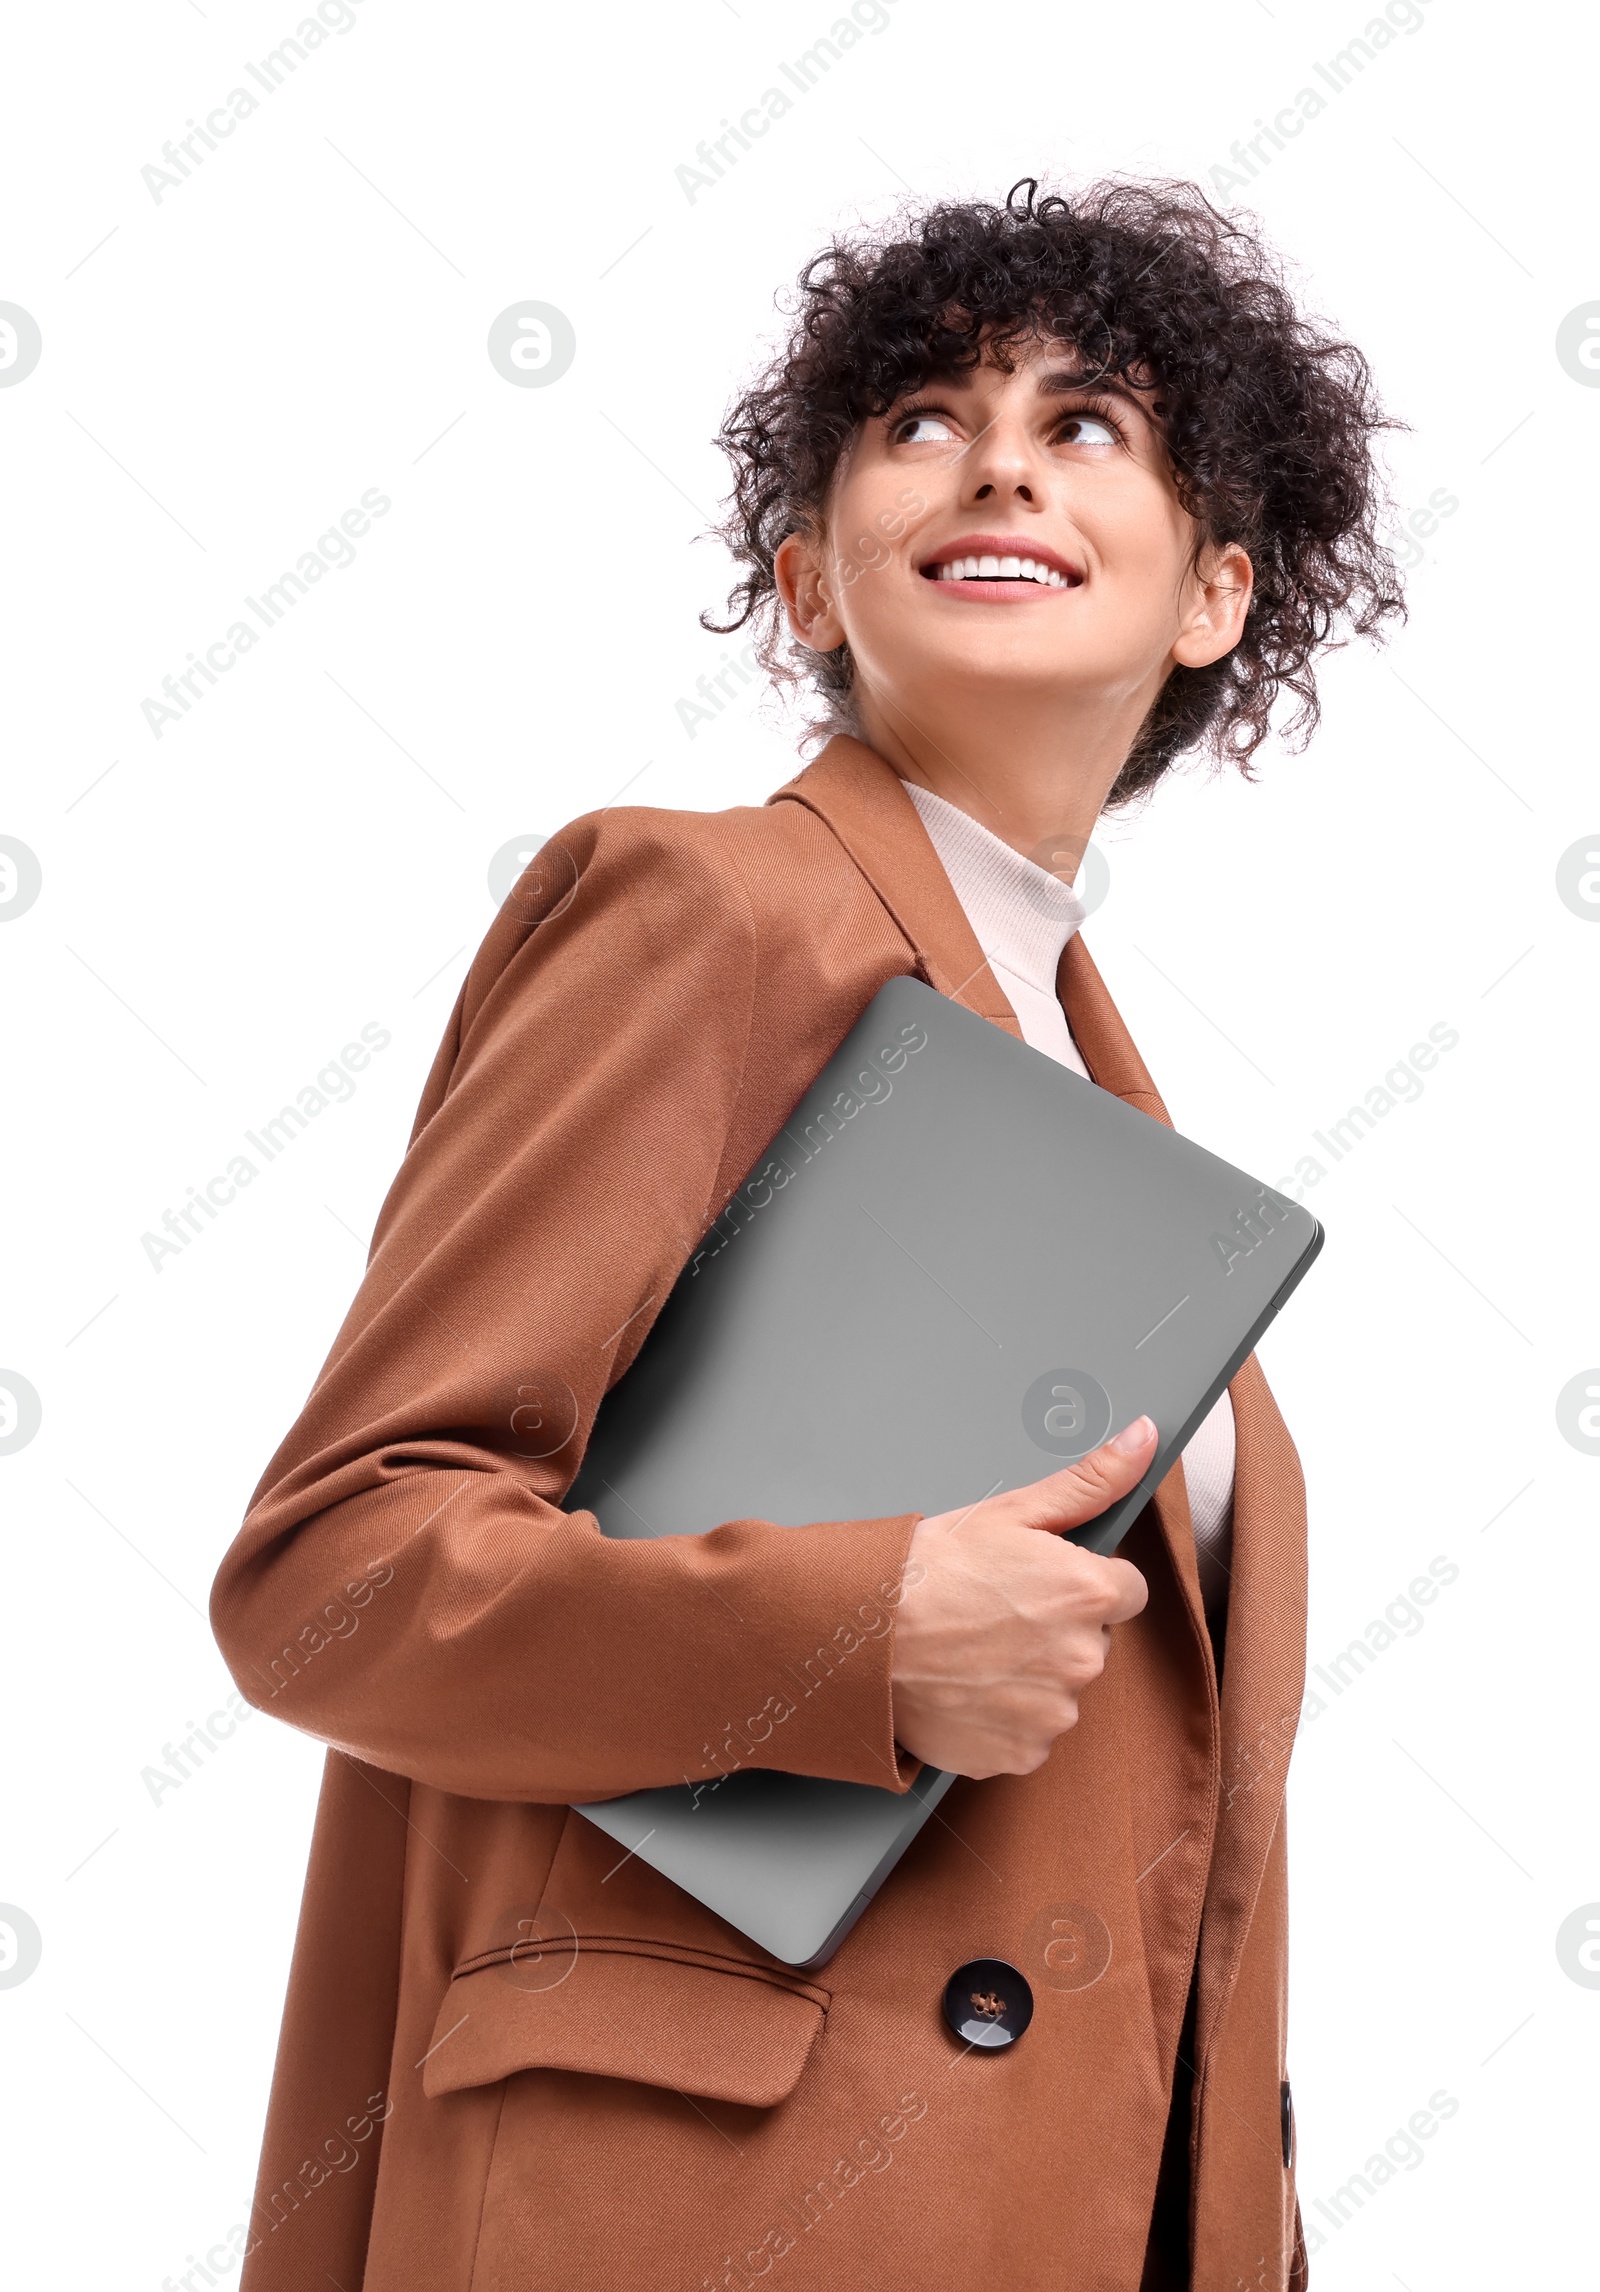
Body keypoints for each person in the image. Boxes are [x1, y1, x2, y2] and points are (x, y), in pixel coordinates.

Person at [211, 176, 1403, 2291]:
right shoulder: (710, 909)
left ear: (1215, 591)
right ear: (805, 584)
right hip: (711, 2215)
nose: (1001, 455)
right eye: (919, 420)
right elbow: (335, 1573)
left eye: (1087, 422)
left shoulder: (1066, 1064)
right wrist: (859, 1635)